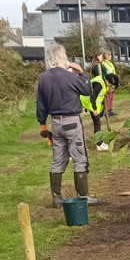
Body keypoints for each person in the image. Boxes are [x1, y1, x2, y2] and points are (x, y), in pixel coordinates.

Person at [36, 44, 103, 207]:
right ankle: (83, 196)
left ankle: (57, 198)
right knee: (80, 158)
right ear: (62, 57)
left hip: (55, 123)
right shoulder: (70, 76)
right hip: (72, 121)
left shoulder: (43, 78)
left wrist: (42, 124)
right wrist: (81, 72)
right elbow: (88, 89)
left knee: (58, 159)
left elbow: (41, 104)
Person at [82, 70, 117, 152]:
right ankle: (99, 144)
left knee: (98, 124)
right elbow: (92, 97)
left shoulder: (102, 81)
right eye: (110, 84)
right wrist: (94, 109)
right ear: (107, 81)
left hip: (93, 104)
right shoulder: (99, 84)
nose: (110, 86)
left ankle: (100, 142)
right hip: (89, 103)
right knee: (97, 124)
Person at [102, 50, 119, 119]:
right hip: (108, 83)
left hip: (113, 82)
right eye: (109, 55)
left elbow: (113, 73)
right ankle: (106, 110)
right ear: (106, 56)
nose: (111, 56)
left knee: (111, 97)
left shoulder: (110, 64)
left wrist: (116, 81)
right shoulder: (103, 64)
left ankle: (110, 110)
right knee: (108, 97)